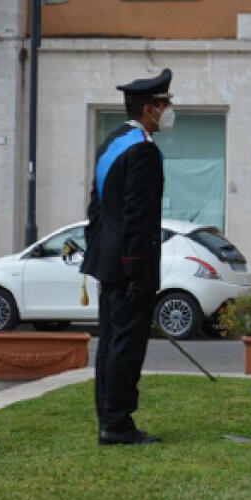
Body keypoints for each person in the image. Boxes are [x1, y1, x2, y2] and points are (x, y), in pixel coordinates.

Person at [82, 68, 173, 445]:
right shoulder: (143, 152)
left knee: (109, 343)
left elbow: (96, 210)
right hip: (130, 265)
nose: (168, 111)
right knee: (126, 345)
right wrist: (138, 272)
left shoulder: (112, 143)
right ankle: (118, 423)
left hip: (108, 259)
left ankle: (108, 415)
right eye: (164, 104)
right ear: (149, 109)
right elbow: (140, 218)